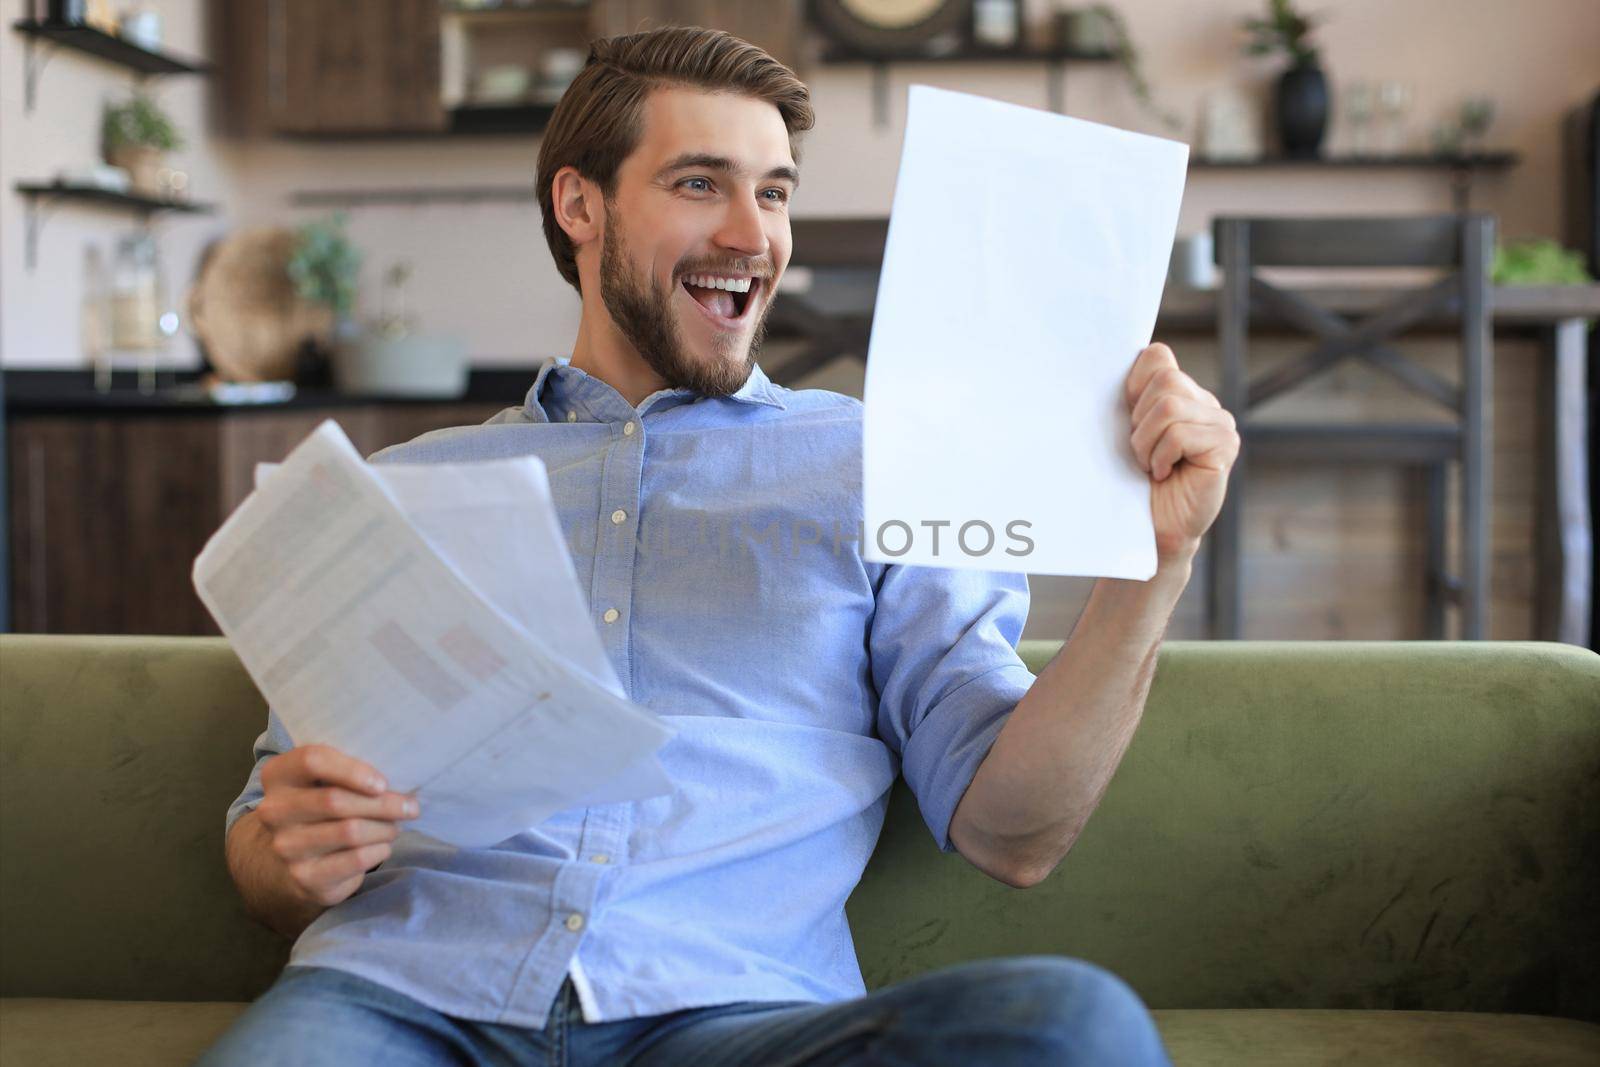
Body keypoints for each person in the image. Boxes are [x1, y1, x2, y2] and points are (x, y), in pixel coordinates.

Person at [201, 25, 1237, 1067]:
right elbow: (268, 829)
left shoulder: (884, 464)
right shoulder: (404, 485)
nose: (753, 234)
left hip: (731, 1017)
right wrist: (289, 853)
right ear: (580, 205)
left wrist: (1156, 563)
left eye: (775, 192)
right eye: (701, 183)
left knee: (1071, 1026)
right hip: (406, 998)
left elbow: (1013, 835)